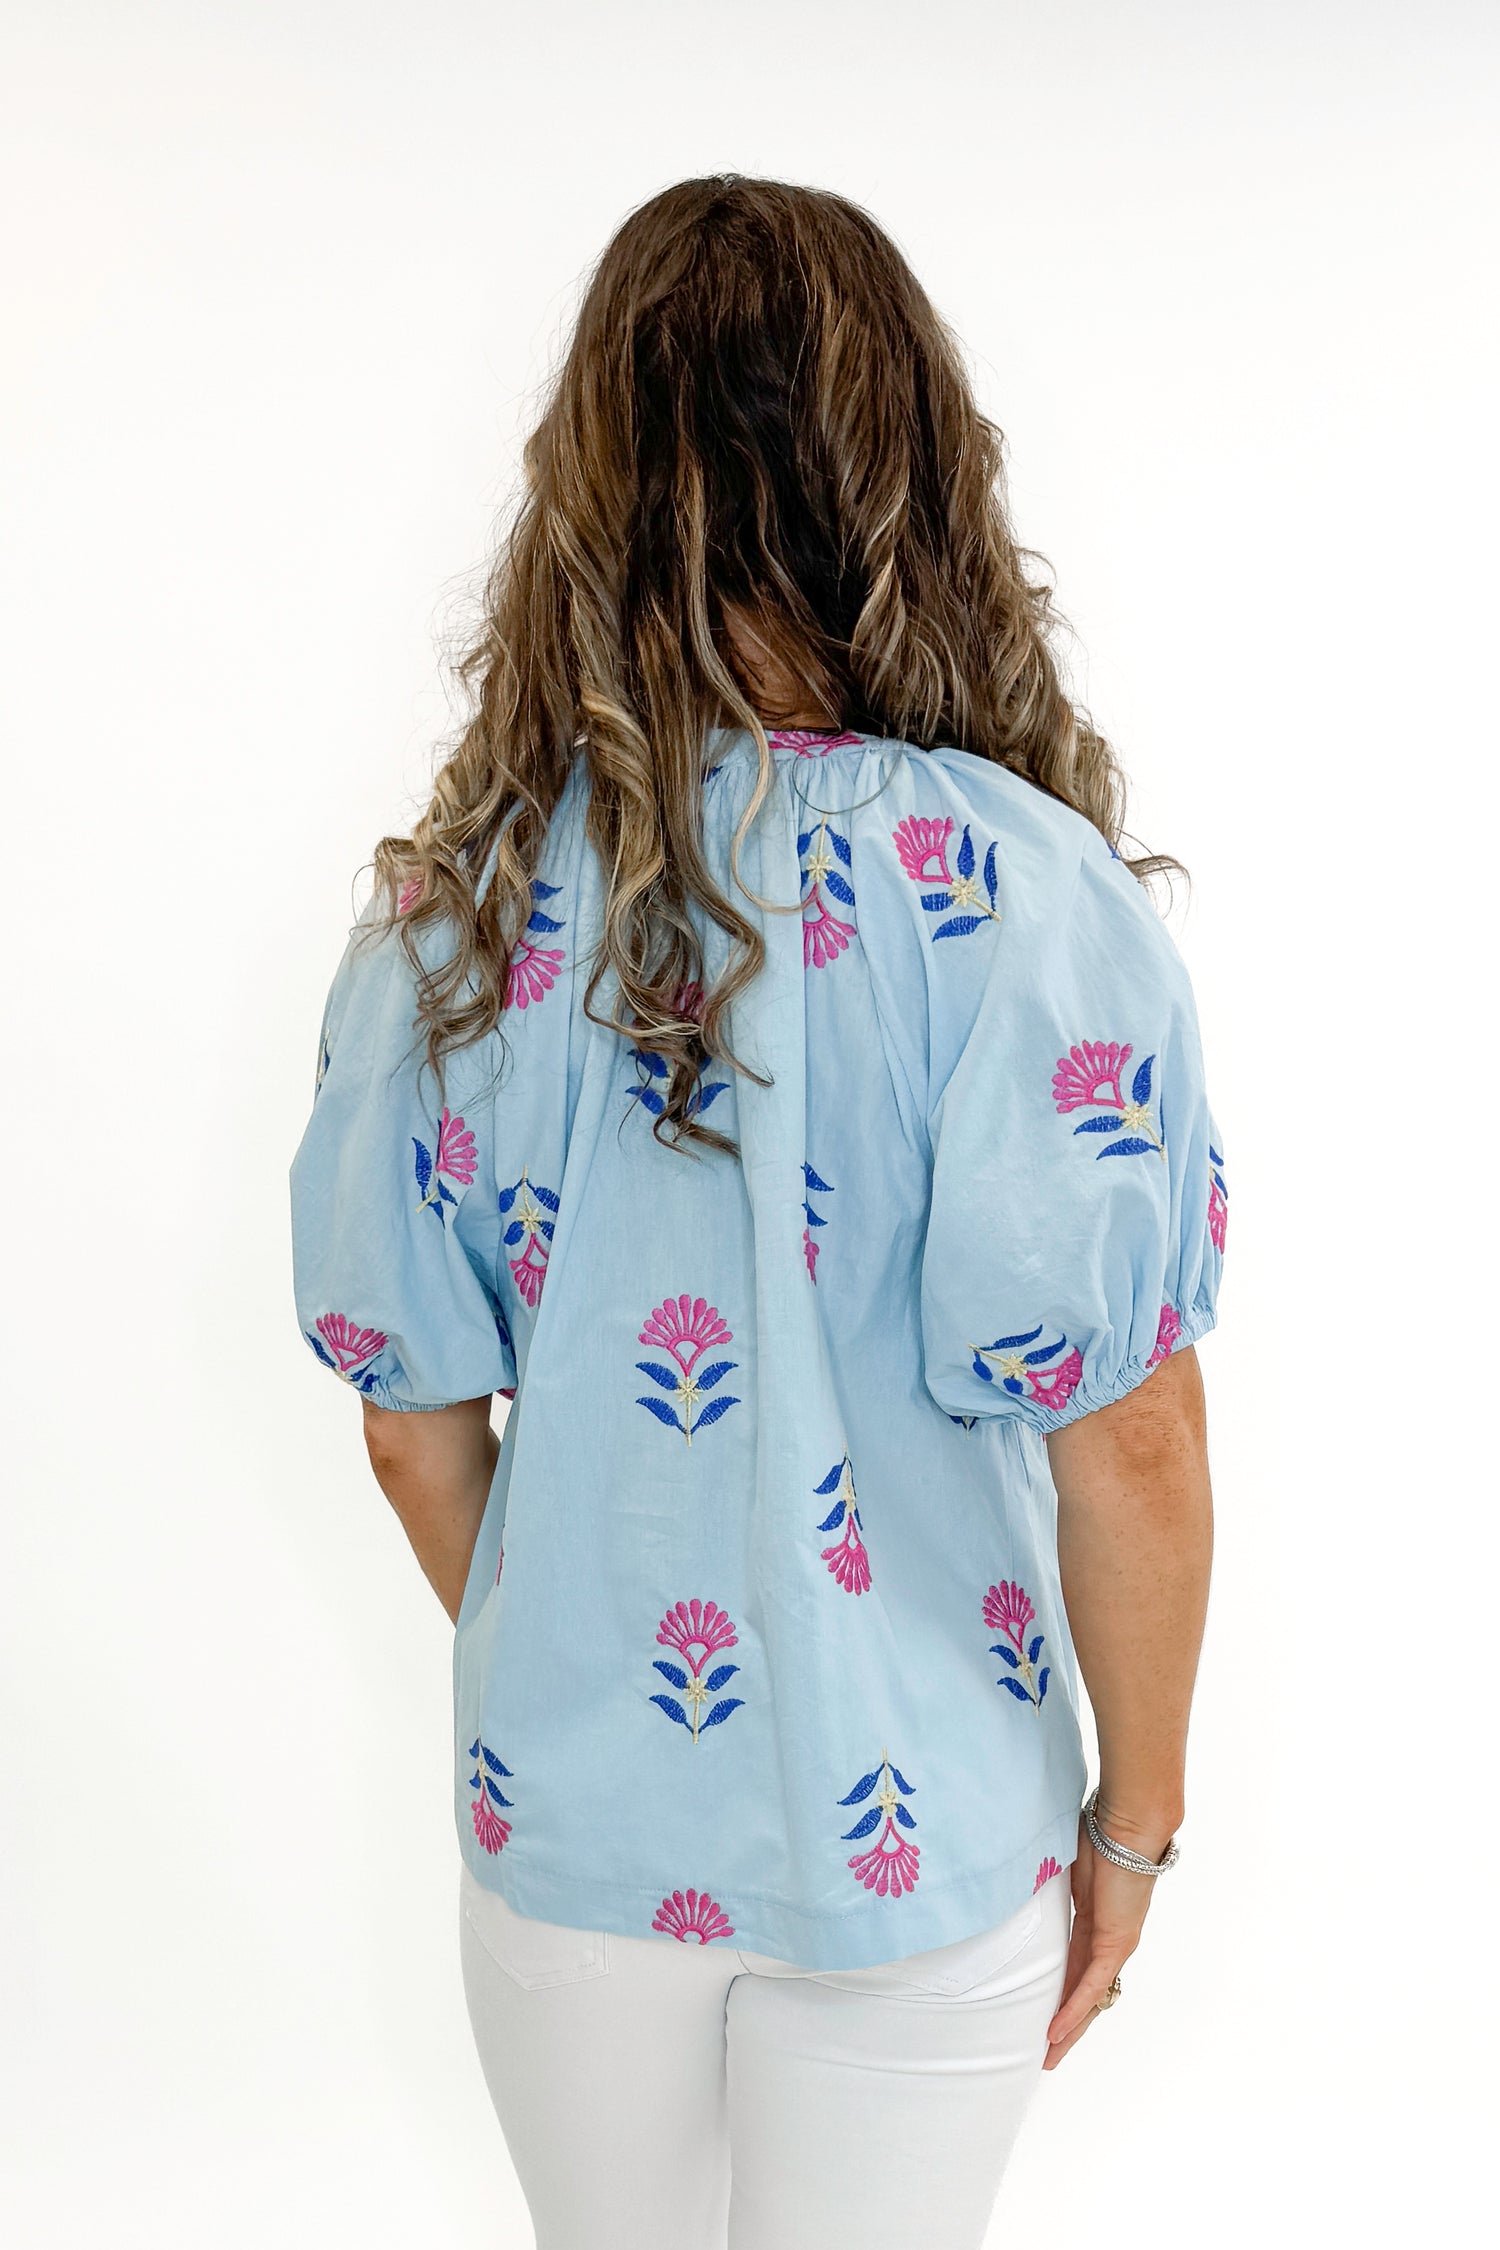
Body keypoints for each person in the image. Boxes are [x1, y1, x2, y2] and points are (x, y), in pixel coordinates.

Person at [289, 174, 1223, 2250]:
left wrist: (578, 1652)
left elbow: (402, 1416)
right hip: (929, 1825)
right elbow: (1131, 1439)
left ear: (588, 495)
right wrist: (1134, 1833)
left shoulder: (454, 914)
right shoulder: (1020, 897)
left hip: (574, 1832)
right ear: (911, 471)